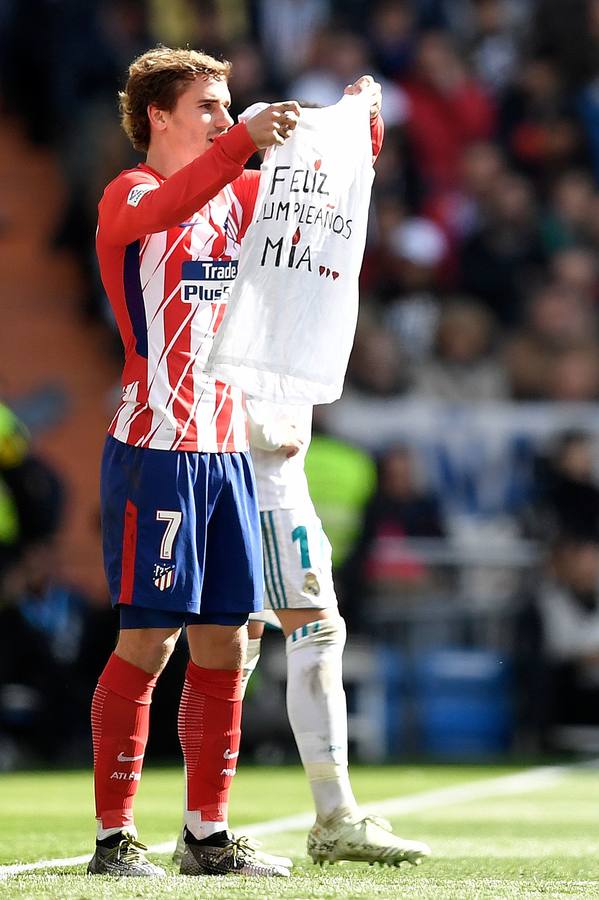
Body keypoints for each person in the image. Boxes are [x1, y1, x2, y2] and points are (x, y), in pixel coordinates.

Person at [89, 45, 383, 879]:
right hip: (157, 448)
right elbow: (182, 195)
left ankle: (206, 838)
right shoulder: (133, 193)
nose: (224, 119)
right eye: (209, 106)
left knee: (231, 642)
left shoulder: (236, 195)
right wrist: (238, 146)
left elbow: (319, 199)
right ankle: (114, 841)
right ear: (159, 115)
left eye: (227, 106)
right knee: (149, 641)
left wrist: (356, 127)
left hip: (228, 453)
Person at [175, 399, 431, 867]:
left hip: (233, 479)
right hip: (266, 488)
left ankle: (202, 827)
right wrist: (265, 430)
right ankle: (334, 816)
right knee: (315, 632)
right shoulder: (266, 326)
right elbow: (221, 376)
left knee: (233, 644)